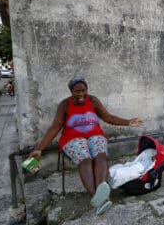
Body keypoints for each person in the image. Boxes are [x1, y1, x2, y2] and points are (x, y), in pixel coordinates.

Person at [28, 76, 144, 215]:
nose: (82, 94)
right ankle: (98, 198)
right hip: (72, 139)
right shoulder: (65, 105)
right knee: (86, 160)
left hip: (95, 135)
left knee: (100, 156)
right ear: (71, 92)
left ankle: (101, 195)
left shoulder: (93, 100)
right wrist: (39, 148)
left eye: (84, 90)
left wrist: (128, 122)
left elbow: (108, 117)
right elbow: (55, 127)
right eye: (77, 91)